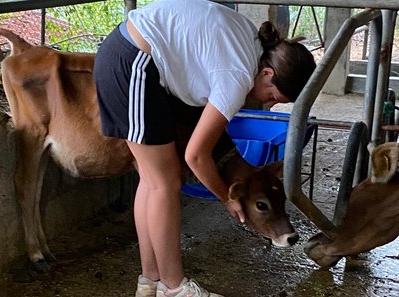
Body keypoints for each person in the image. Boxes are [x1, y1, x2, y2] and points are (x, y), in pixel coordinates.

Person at [93, 0, 316, 296]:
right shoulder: (238, 75)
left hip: (133, 57)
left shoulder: (251, 44)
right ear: (267, 74)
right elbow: (196, 156)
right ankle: (175, 288)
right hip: (133, 62)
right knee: (165, 183)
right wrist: (227, 198)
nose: (269, 103)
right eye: (274, 96)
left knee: (153, 180)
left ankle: (150, 282)